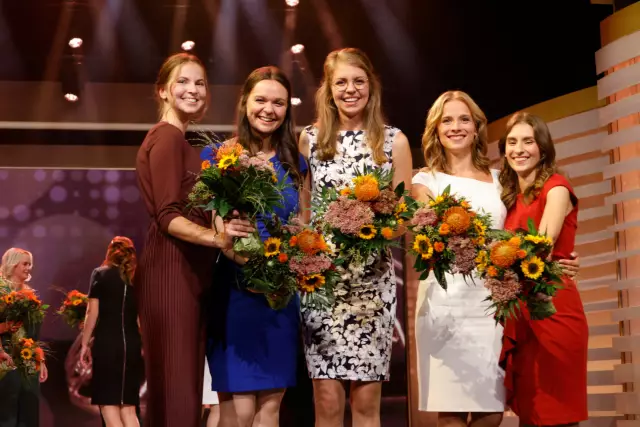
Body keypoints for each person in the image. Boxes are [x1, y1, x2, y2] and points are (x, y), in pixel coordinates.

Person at [411, 91, 580, 427]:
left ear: (477, 128)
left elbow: (526, 233)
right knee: (451, 411)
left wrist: (559, 258)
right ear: (435, 129)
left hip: (493, 303)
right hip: (446, 300)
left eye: (464, 119)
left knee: (492, 413)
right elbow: (433, 229)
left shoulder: (499, 179)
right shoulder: (423, 179)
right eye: (447, 120)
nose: (456, 127)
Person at [135, 52, 254, 427]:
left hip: (184, 272)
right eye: (183, 82)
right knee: (178, 392)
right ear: (163, 91)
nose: (193, 89)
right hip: (171, 271)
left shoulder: (180, 141)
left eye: (200, 83)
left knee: (178, 388)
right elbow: (168, 216)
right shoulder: (168, 137)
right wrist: (218, 239)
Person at [299, 47, 412, 426]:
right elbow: (303, 214)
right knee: (326, 404)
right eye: (341, 82)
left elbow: (403, 216)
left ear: (371, 86)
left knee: (366, 409)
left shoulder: (394, 141)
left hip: (371, 288)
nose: (350, 89)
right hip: (323, 285)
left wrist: (369, 229)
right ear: (328, 89)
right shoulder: (310, 139)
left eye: (358, 81)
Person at [204, 66, 309, 427]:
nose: (269, 109)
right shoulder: (219, 157)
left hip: (279, 296)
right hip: (235, 293)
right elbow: (217, 227)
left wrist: (294, 265)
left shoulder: (296, 163)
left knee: (270, 409)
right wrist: (246, 263)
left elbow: (302, 225)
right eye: (260, 100)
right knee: (239, 410)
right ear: (245, 103)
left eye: (278, 102)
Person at [498, 112, 588, 427]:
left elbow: (541, 246)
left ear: (543, 149)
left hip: (554, 309)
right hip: (519, 312)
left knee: (556, 412)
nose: (519, 149)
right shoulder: (507, 195)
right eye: (512, 142)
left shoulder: (557, 186)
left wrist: (495, 256)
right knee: (530, 412)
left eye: (528, 141)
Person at [79, 237, 143, 427]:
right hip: (132, 345)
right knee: (129, 410)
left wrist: (84, 343)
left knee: (108, 405)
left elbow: (92, 312)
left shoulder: (100, 274)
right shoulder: (137, 278)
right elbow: (141, 318)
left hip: (107, 344)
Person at [0, 248, 48, 427]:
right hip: (5, 359)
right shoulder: (1, 291)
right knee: (7, 412)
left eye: (30, 264)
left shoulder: (30, 295)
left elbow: (33, 335)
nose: (29, 268)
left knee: (29, 413)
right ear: (13, 265)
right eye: (25, 264)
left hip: (28, 361)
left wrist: (40, 359)